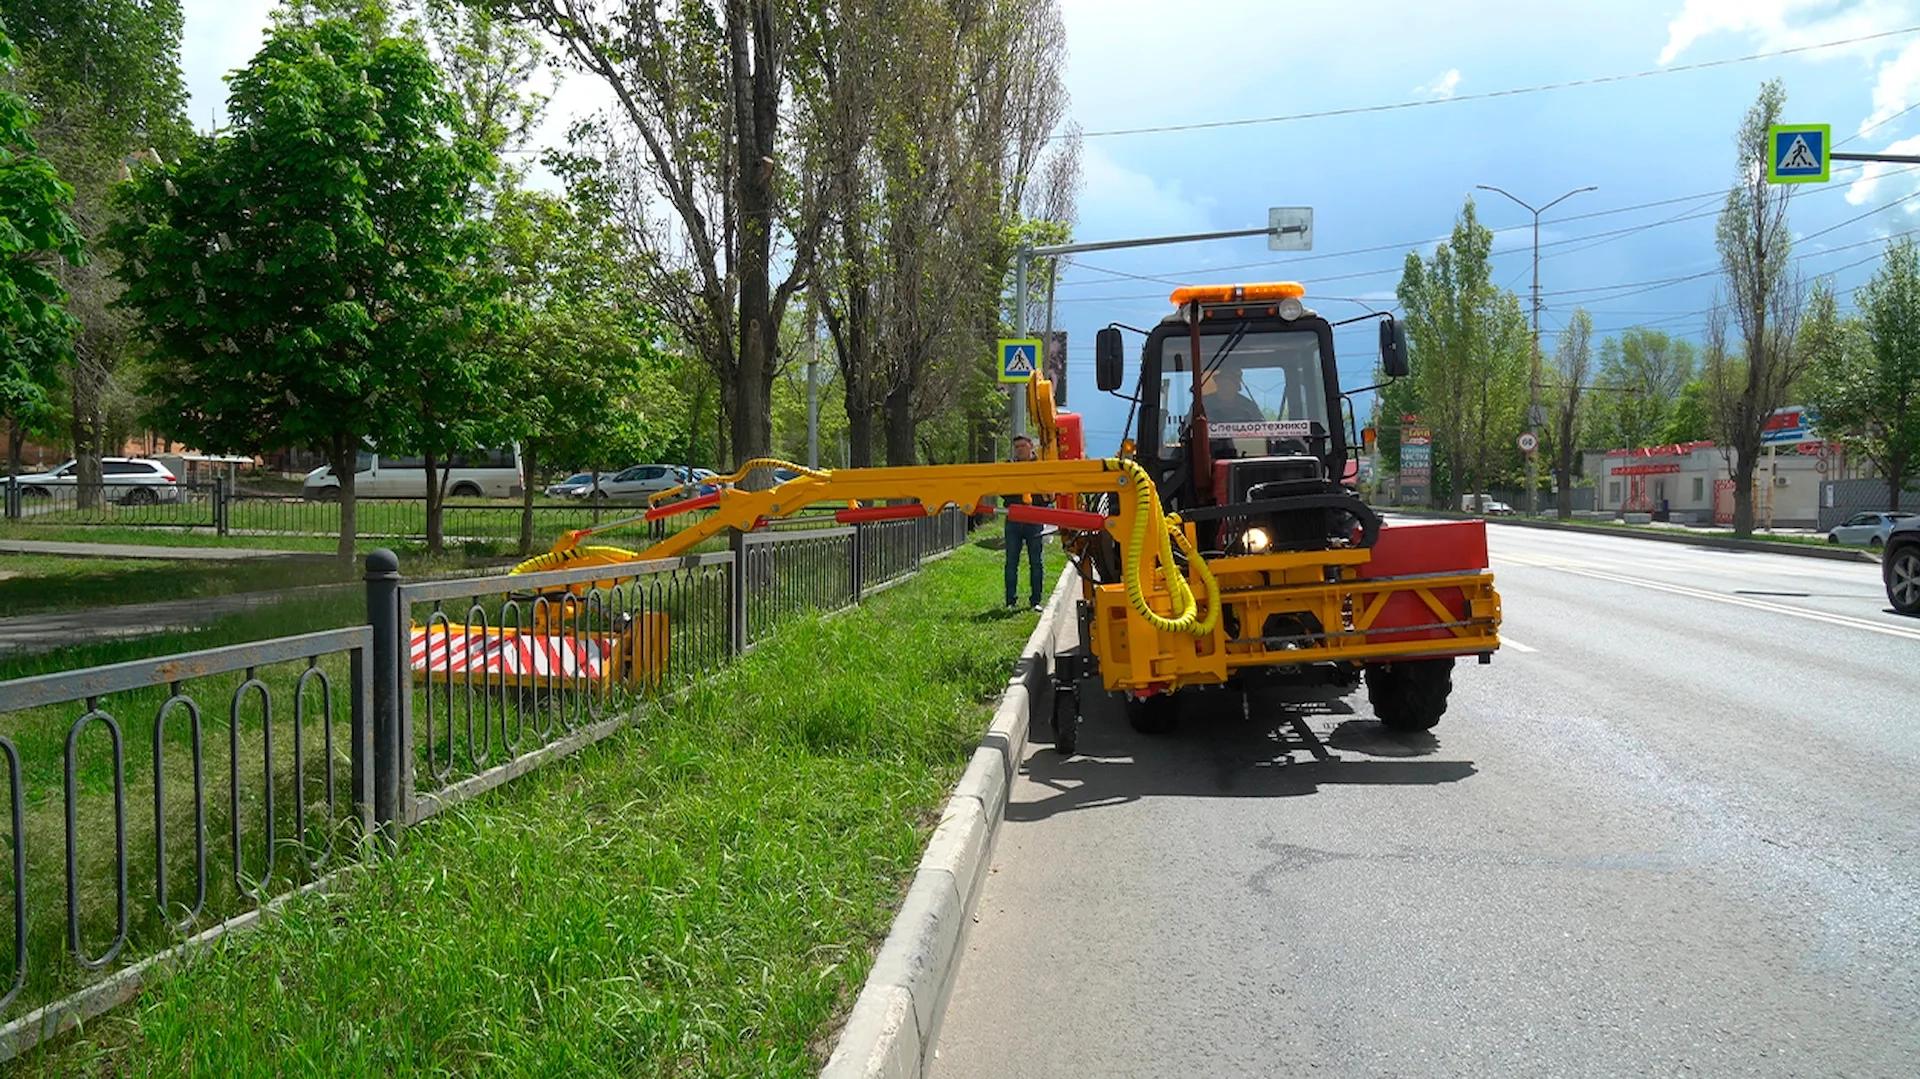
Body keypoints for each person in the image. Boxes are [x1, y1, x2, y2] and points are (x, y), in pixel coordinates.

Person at [1002, 434, 1049, 611]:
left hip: (1034, 518)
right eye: (1017, 447)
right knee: (1011, 561)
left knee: (1036, 562)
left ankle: (1036, 601)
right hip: (1014, 518)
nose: (1019, 450)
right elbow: (1001, 489)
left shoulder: (1041, 467)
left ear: (1031, 446)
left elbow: (1048, 494)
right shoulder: (1009, 467)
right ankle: (1010, 601)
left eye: (1022, 446)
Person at [1199, 361, 1266, 424]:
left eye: (1227, 385)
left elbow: (1261, 427)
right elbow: (1193, 424)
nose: (1223, 388)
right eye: (1221, 384)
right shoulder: (1203, 404)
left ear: (1236, 388)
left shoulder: (1249, 407)